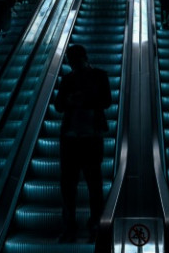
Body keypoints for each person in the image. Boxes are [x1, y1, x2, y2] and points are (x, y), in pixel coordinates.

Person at [53, 44, 112, 243]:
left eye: (75, 60)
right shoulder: (68, 79)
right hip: (70, 138)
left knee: (93, 184)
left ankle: (96, 224)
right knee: (68, 185)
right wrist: (70, 100)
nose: (73, 65)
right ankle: (70, 227)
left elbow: (106, 101)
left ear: (84, 58)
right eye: (71, 61)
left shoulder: (99, 76)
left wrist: (85, 100)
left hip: (91, 137)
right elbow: (59, 106)